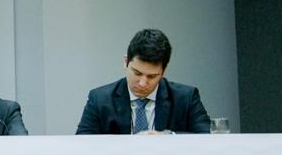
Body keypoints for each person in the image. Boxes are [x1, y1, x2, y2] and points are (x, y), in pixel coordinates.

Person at [76, 28, 210, 134]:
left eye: (152, 76)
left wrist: (169, 137)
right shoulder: (100, 100)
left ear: (164, 71)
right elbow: (82, 145)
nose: (142, 83)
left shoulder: (186, 98)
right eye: (137, 73)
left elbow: (208, 138)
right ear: (125, 62)